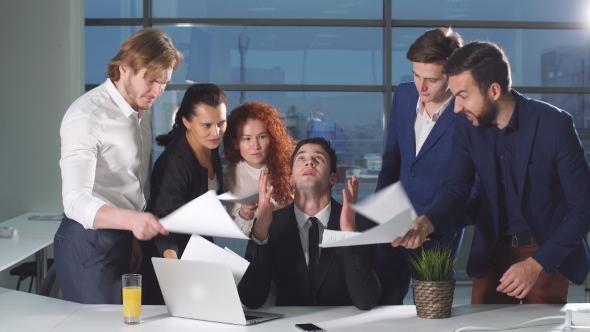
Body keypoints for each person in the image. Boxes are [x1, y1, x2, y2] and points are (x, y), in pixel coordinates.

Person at [394, 41, 590, 304]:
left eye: (463, 95)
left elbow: (584, 208)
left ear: (494, 90)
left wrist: (536, 263)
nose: (456, 108)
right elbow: (457, 187)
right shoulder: (467, 127)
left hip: (544, 249)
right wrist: (428, 221)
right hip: (492, 248)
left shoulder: (555, 125)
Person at [55, 28, 182, 304]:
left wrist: (132, 237)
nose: (158, 91)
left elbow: (130, 185)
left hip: (125, 237)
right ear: (124, 68)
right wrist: (133, 222)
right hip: (88, 241)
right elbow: (74, 201)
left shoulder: (142, 109)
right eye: (151, 80)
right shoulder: (86, 116)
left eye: (164, 82)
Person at [376, 27, 481, 304]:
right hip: (391, 230)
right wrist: (379, 214)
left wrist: (435, 225)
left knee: (432, 314)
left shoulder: (470, 115)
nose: (421, 87)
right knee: (380, 307)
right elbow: (392, 163)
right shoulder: (404, 95)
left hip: (437, 234)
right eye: (416, 75)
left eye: (431, 80)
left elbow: (475, 187)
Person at [238, 137, 382, 310]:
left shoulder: (360, 223)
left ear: (333, 178)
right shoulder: (271, 225)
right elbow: (251, 299)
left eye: (318, 159)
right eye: (301, 158)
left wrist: (349, 234)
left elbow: (366, 300)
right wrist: (260, 229)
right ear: (291, 179)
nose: (309, 163)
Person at [140, 83, 228, 304]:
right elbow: (163, 218)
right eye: (207, 125)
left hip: (198, 249)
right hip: (170, 255)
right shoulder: (176, 163)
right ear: (186, 122)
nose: (216, 132)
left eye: (221, 123)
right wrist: (173, 268)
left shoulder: (209, 145)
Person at [223, 101, 296, 236]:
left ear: (272, 138)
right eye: (247, 139)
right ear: (235, 143)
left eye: (262, 137)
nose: (255, 146)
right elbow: (238, 233)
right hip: (260, 246)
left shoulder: (294, 162)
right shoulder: (229, 175)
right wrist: (245, 213)